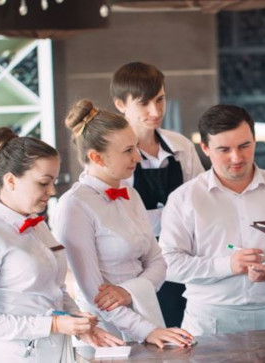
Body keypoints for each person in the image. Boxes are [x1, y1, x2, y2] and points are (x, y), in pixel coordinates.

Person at [0, 128, 123, 362]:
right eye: (44, 183)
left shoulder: (38, 225)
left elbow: (56, 290)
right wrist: (55, 324)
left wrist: (79, 323)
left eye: (54, 182)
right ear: (11, 181)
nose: (52, 191)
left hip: (54, 354)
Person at [159, 105, 265, 336]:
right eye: (224, 149)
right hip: (208, 321)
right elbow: (168, 264)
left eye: (244, 146)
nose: (236, 158)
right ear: (205, 148)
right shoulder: (184, 198)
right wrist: (228, 265)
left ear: (255, 141)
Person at [51, 100, 194, 348]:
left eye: (136, 147)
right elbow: (94, 295)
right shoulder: (74, 206)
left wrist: (129, 292)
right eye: (128, 150)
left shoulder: (132, 195)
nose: (138, 157)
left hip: (147, 316)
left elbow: (159, 262)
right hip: (104, 334)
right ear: (96, 157)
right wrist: (148, 331)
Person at [111, 61, 204, 329]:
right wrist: (172, 217)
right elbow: (118, 220)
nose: (156, 111)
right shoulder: (114, 156)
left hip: (185, 260)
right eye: (144, 104)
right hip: (136, 267)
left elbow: (199, 201)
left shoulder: (181, 147)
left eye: (160, 99)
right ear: (120, 104)